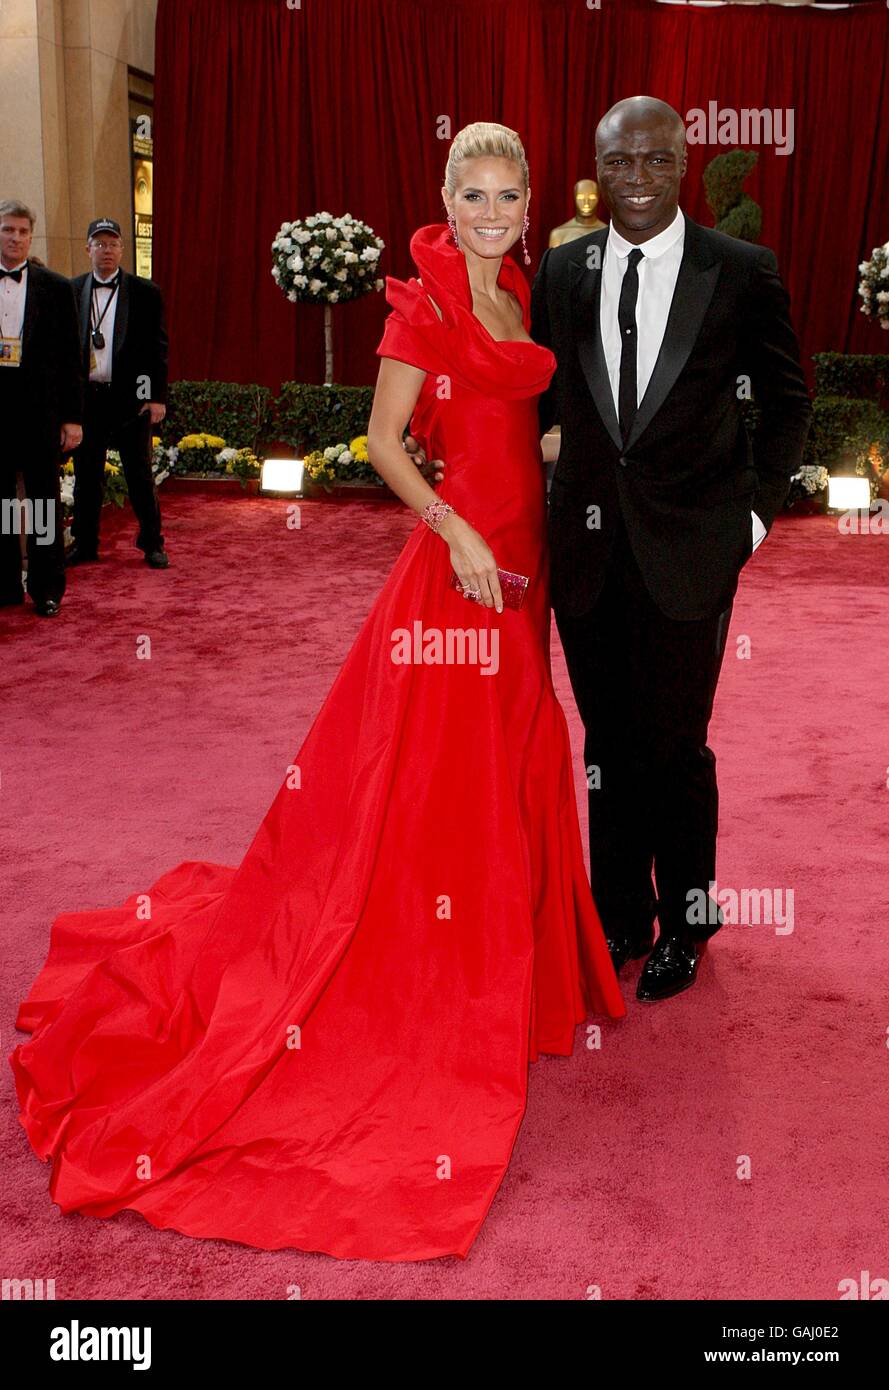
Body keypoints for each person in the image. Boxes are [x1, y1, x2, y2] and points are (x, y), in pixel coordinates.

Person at [9, 123, 624, 1263]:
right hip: (457, 573)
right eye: (472, 193)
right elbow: (384, 440)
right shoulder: (424, 299)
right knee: (441, 780)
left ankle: (506, 965)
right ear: (444, 192)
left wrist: (534, 472)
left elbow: (500, 417)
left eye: (507, 194)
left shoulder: (525, 287)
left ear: (531, 201)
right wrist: (453, 532)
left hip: (523, 564)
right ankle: (441, 977)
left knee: (513, 753)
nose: (489, 212)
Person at [415, 96, 813, 1003]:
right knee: (606, 741)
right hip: (587, 554)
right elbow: (532, 399)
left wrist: (750, 519)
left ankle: (687, 918)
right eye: (617, 164)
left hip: (693, 551)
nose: (636, 180)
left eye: (653, 161)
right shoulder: (561, 269)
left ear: (680, 162)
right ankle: (618, 915)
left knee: (676, 745)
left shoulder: (740, 271)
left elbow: (788, 404)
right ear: (597, 172)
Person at [66, 218, 169, 569]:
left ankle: (152, 542)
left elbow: (157, 348)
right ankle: (84, 542)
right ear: (88, 249)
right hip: (88, 400)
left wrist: (155, 397)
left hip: (130, 400)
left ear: (122, 249)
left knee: (139, 474)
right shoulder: (72, 289)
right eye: (99, 243)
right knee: (86, 477)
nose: (106, 250)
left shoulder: (145, 292)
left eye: (112, 244)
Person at [0, 200, 83, 617]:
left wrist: (72, 418)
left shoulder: (56, 287)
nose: (15, 238)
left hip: (40, 414)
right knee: (1, 504)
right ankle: (5, 583)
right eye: (7, 230)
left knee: (43, 502)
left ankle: (47, 587)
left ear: (31, 237)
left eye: (22, 232)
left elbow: (72, 358)